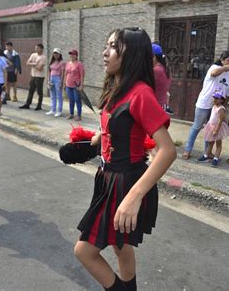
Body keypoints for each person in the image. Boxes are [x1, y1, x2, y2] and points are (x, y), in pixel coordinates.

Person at [74, 27, 176, 290]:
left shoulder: (141, 93)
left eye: (112, 46)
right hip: (108, 178)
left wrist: (134, 196)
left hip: (127, 182)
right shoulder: (117, 87)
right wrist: (98, 139)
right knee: (121, 247)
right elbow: (121, 128)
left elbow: (167, 150)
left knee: (84, 251)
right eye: (107, 45)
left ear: (129, 54)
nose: (104, 52)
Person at [182, 51, 229, 160]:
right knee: (196, 127)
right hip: (204, 103)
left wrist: (223, 108)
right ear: (222, 60)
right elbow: (214, 74)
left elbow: (228, 93)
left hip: (216, 107)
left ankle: (207, 153)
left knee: (211, 129)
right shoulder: (214, 67)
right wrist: (225, 68)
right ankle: (187, 150)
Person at [198, 92, 229, 167]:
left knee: (218, 143)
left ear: (222, 100)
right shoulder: (214, 106)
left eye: (217, 98)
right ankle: (206, 156)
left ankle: (216, 158)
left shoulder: (221, 109)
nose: (215, 100)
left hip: (218, 128)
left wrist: (216, 130)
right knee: (210, 142)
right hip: (211, 126)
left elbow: (220, 120)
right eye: (214, 98)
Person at [20, 44, 46, 110]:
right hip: (33, 75)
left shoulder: (43, 57)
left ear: (41, 49)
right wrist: (34, 64)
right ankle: (27, 104)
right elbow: (27, 63)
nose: (36, 49)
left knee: (39, 92)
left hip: (40, 76)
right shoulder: (33, 55)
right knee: (31, 90)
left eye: (37, 48)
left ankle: (39, 105)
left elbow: (40, 68)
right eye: (36, 48)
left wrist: (33, 65)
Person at [64, 49, 85, 121]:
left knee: (77, 100)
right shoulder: (67, 63)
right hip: (68, 85)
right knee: (71, 100)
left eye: (73, 54)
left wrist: (81, 85)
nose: (71, 56)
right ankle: (71, 114)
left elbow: (82, 75)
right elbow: (65, 74)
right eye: (70, 54)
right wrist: (64, 83)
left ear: (76, 55)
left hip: (76, 85)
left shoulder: (79, 64)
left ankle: (79, 115)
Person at [152, 43, 172, 111]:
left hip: (155, 105)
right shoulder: (165, 68)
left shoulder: (156, 70)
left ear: (154, 57)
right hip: (162, 105)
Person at [46, 48, 64, 117]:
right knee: (52, 95)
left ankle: (59, 110)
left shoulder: (61, 62)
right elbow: (49, 71)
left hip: (57, 78)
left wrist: (61, 82)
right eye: (54, 53)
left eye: (57, 53)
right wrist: (48, 80)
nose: (55, 55)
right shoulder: (52, 62)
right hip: (51, 78)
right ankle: (53, 109)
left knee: (59, 96)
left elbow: (62, 73)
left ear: (60, 54)